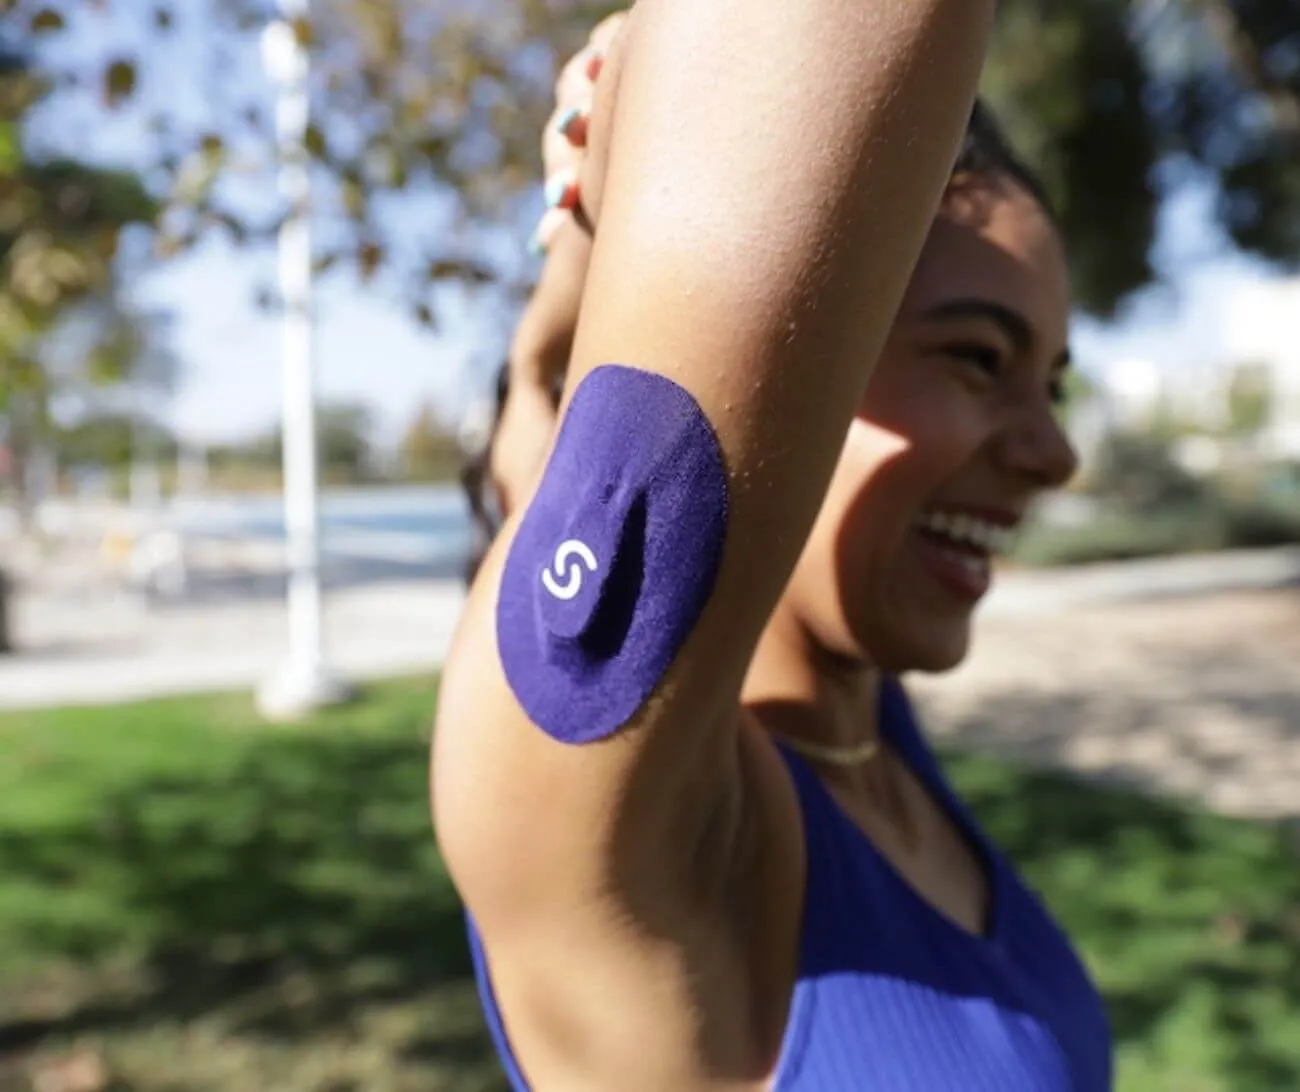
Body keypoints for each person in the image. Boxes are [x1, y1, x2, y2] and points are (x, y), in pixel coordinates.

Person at [436, 2, 1114, 1089]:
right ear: (797, 361)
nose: (1055, 452)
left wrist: (569, 252)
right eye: (979, 359)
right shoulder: (627, 826)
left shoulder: (864, 729)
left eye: (1054, 383)